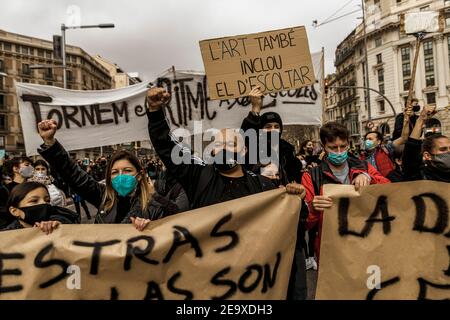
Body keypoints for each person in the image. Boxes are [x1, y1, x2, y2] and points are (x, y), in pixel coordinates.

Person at [36, 119, 183, 231]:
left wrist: (150, 229)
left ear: (139, 175)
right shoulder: (104, 197)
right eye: (114, 172)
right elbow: (74, 176)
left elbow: (177, 227)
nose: (120, 176)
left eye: (127, 171)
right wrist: (50, 143)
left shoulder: (155, 205)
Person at [301, 122, 391, 265]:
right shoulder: (311, 176)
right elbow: (305, 223)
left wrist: (369, 177)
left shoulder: (363, 166)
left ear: (348, 144)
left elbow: (388, 189)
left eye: (342, 146)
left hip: (366, 240)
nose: (338, 151)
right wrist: (313, 207)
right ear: (324, 147)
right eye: (333, 148)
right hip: (332, 249)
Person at [240, 87, 303, 185]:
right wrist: (256, 107)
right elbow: (248, 133)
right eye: (268, 126)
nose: (273, 130)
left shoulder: (288, 149)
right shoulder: (254, 147)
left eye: (276, 126)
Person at [2, 181, 79, 233]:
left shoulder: (60, 220)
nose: (43, 203)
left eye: (47, 200)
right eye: (34, 201)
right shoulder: (6, 235)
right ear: (14, 211)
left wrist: (60, 227)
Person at [402, 105, 450, 182]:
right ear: (427, 155)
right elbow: (411, 154)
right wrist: (421, 120)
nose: (448, 152)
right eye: (443, 149)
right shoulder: (422, 176)